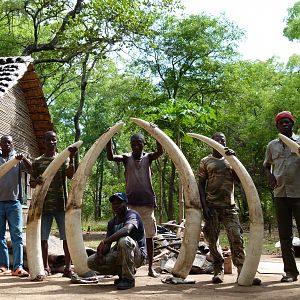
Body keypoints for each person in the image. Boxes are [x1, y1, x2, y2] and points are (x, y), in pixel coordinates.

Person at [198, 132, 261, 285]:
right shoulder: (205, 161)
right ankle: (218, 269)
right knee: (212, 240)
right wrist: (204, 206)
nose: (220, 142)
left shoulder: (230, 160)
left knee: (236, 237)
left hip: (229, 207)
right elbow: (200, 184)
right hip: (212, 206)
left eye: (223, 140)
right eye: (217, 140)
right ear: (211, 143)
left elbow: (240, 180)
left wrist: (234, 161)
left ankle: (243, 271)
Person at [106, 133, 163, 277]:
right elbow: (111, 157)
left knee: (149, 236)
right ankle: (130, 265)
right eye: (134, 143)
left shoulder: (148, 157)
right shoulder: (127, 158)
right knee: (129, 237)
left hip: (147, 203)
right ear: (131, 145)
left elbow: (160, 151)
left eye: (139, 143)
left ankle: (150, 268)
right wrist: (109, 137)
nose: (136, 146)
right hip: (130, 205)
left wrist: (156, 133)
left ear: (144, 144)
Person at [29, 131, 77, 278]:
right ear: (44, 142)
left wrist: (72, 157)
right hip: (44, 207)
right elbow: (31, 182)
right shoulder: (37, 161)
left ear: (56, 142)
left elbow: (70, 175)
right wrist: (36, 181)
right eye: (49, 140)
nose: (51, 143)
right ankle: (45, 267)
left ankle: (68, 268)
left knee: (66, 237)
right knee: (43, 238)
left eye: (54, 140)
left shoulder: (63, 159)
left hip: (62, 205)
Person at [263, 111, 300, 282]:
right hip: (280, 195)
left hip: (299, 194)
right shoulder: (272, 145)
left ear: (292, 124)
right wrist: (269, 175)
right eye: (281, 123)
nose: (285, 125)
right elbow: (266, 165)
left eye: (287, 122)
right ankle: (291, 272)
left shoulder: (299, 142)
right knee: (285, 237)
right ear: (277, 126)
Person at [87, 192, 146, 290]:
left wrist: (105, 241)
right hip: (120, 252)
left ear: (126, 203)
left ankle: (128, 279)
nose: (115, 206)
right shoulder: (112, 222)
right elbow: (107, 246)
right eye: (113, 204)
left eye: (119, 203)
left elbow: (127, 230)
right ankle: (122, 274)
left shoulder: (132, 215)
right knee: (91, 261)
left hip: (138, 255)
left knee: (124, 240)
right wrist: (100, 253)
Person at [0, 134, 31, 277]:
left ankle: (17, 267)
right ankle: (3, 265)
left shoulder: (17, 159)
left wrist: (23, 158)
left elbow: (32, 170)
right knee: (0, 236)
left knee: (17, 235)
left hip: (14, 203)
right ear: (0, 145)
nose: (6, 144)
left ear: (12, 145)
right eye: (4, 142)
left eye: (9, 142)